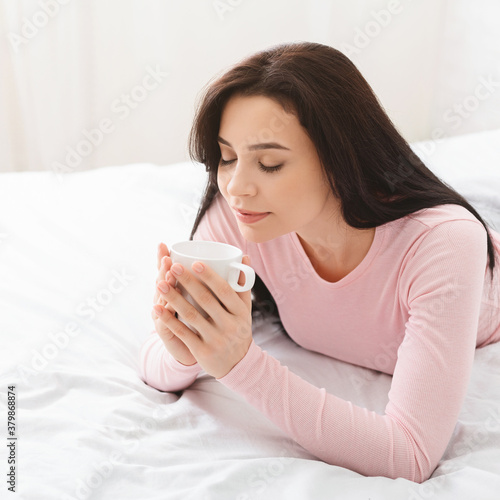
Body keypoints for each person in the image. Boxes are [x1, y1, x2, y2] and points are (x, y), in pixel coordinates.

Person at [139, 41, 500, 482]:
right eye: (228, 157)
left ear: (341, 157)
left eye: (269, 163)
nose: (236, 187)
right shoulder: (242, 217)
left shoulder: (443, 244)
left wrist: (243, 364)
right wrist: (187, 345)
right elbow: (156, 362)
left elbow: (408, 455)